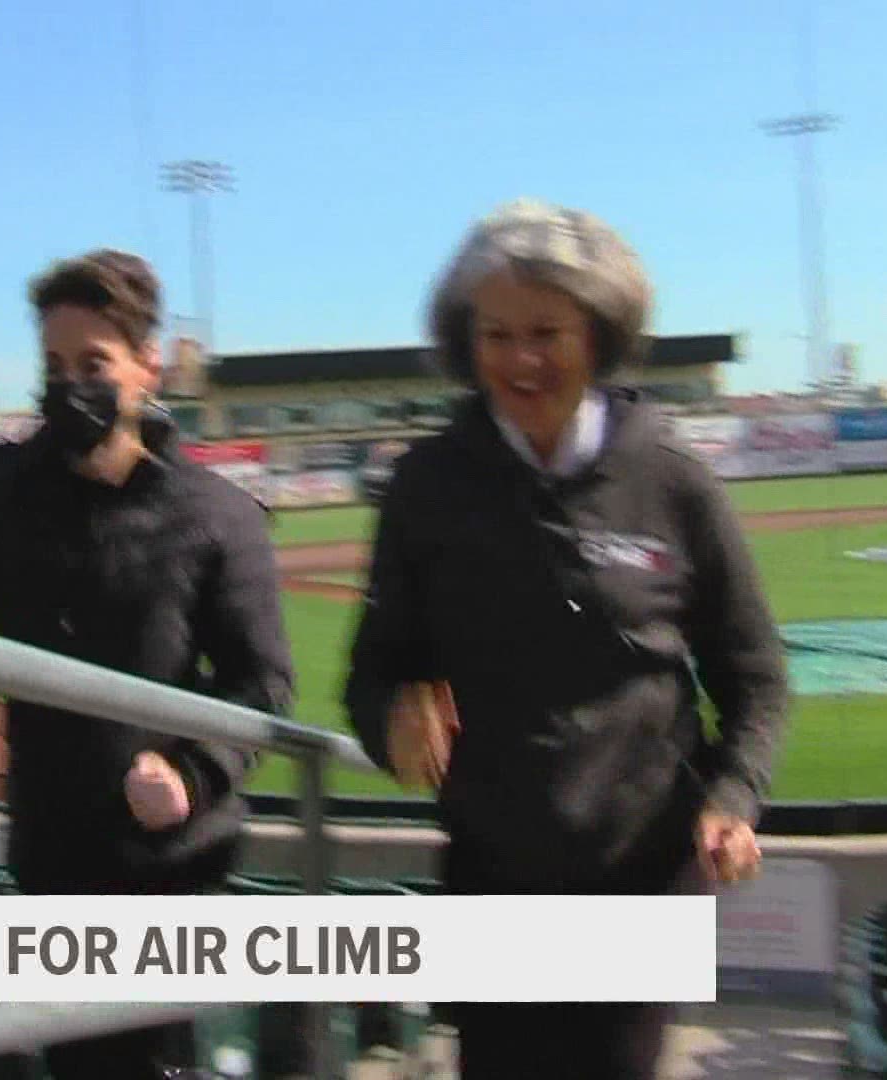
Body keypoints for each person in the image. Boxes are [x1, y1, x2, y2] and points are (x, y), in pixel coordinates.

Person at [342, 198, 791, 1079]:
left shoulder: (673, 479)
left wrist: (733, 796)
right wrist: (388, 714)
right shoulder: (426, 486)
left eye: (547, 331)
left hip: (644, 877)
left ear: (599, 336)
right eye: (496, 334)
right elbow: (374, 671)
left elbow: (757, 676)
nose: (521, 358)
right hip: (491, 879)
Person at [0, 248, 297, 1080]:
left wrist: (192, 775)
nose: (70, 386)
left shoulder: (216, 514)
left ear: (146, 366)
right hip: (54, 853)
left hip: (177, 863)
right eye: (54, 367)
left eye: (94, 363)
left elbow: (263, 680)